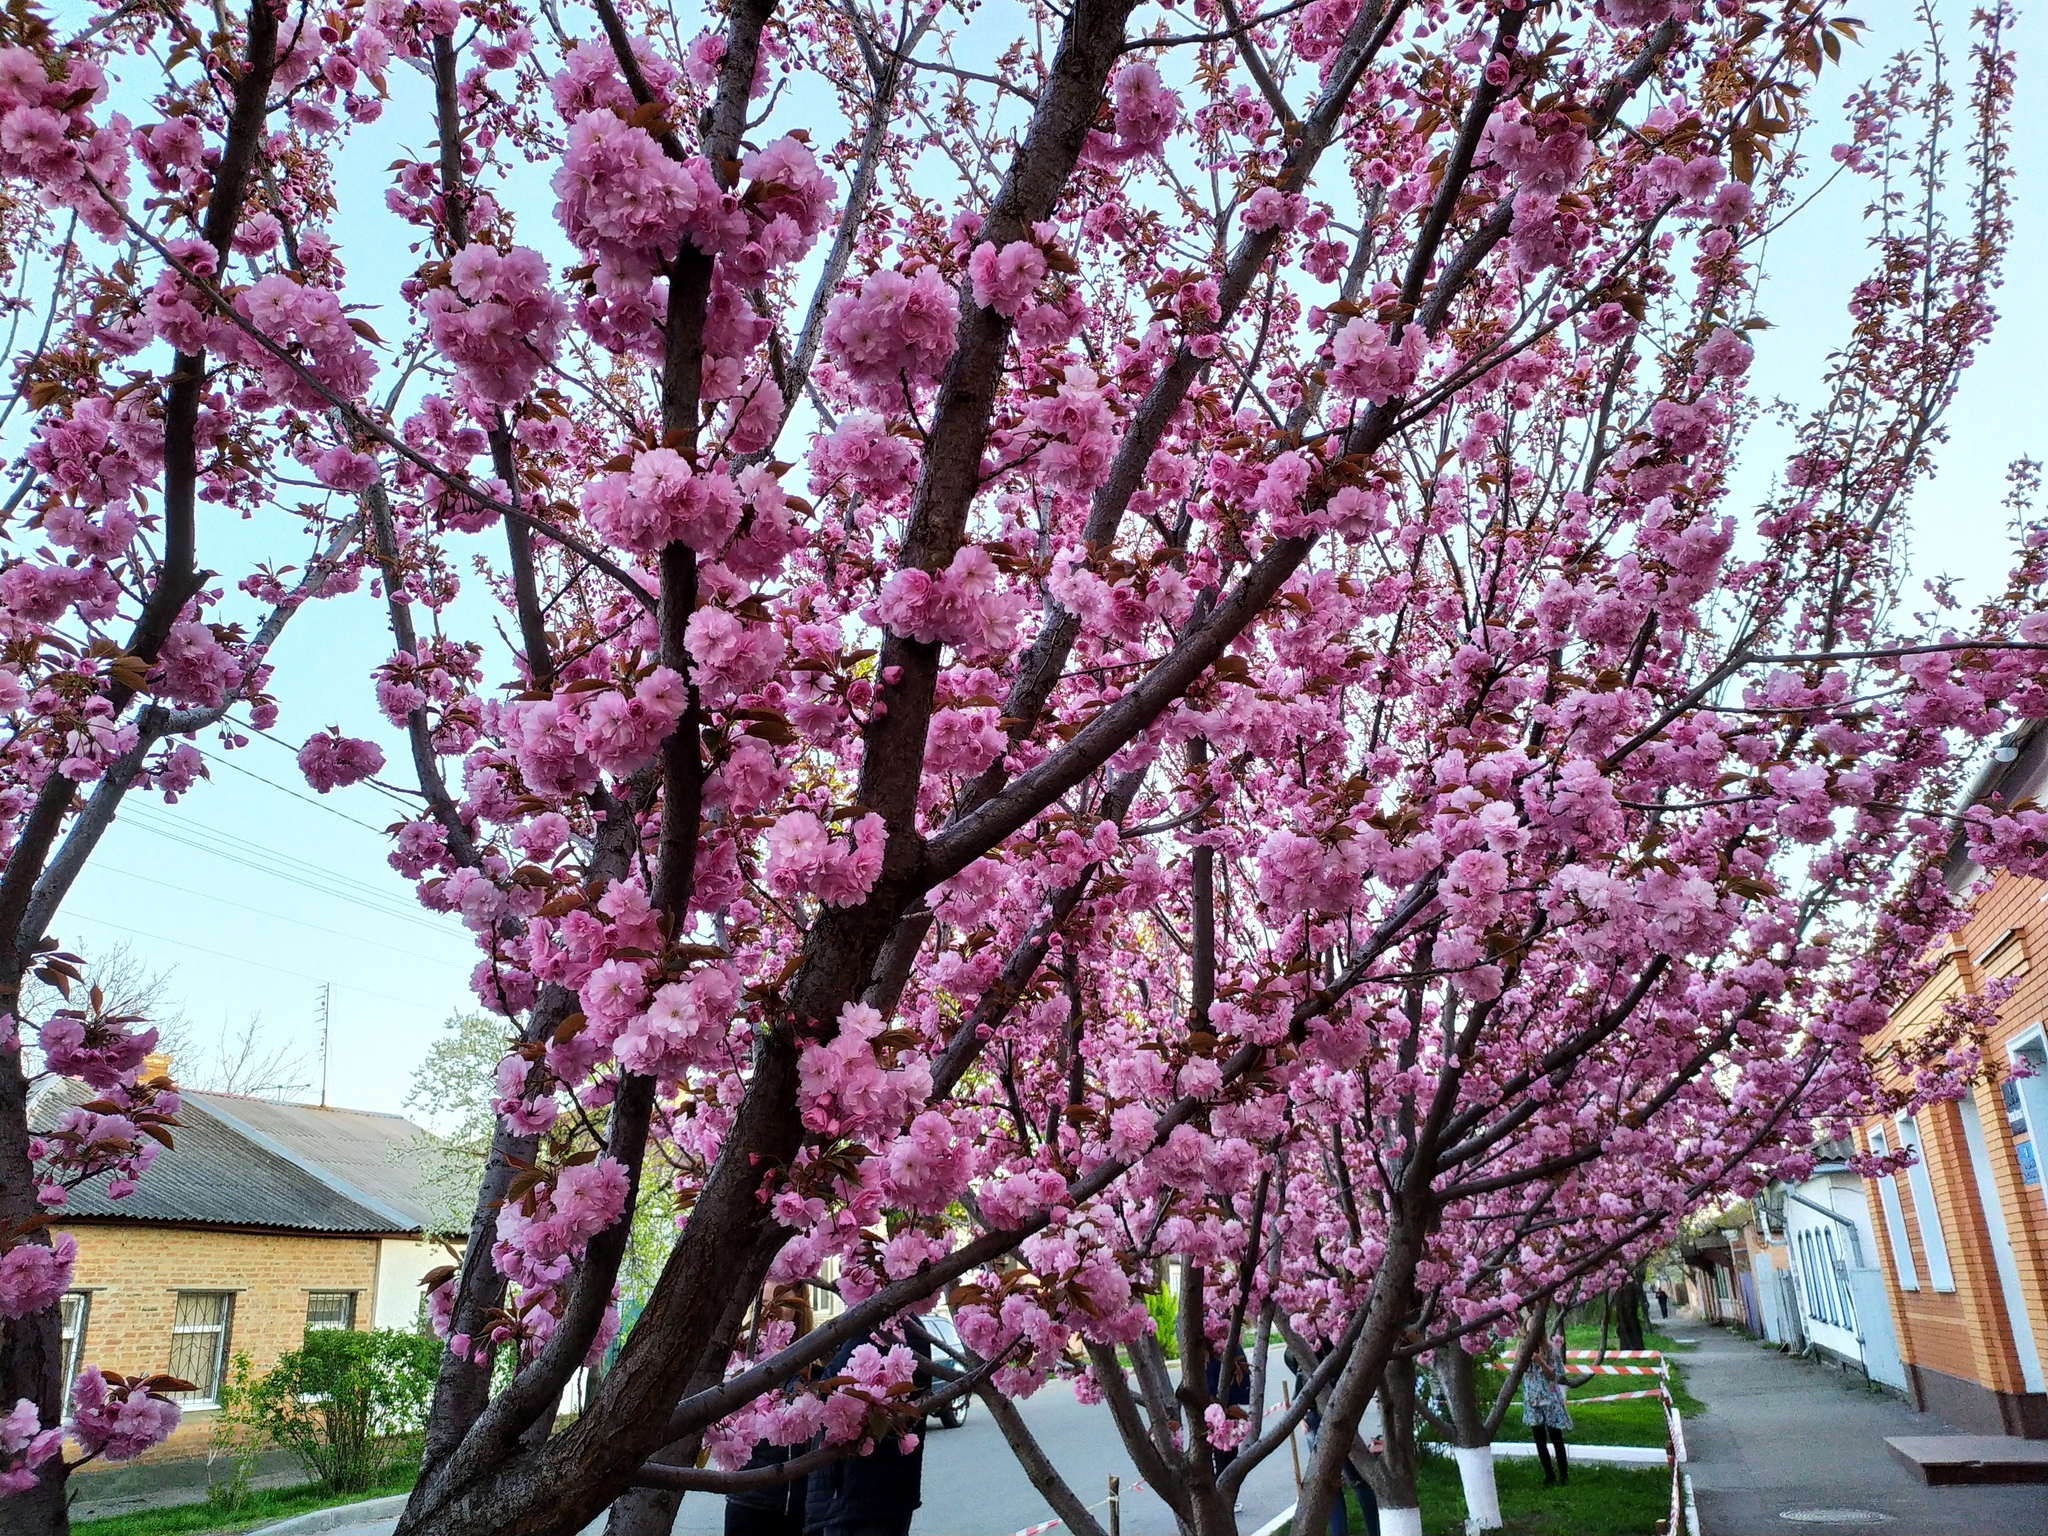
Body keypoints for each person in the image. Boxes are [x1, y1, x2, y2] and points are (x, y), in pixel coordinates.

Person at [804, 1325, 927, 1536]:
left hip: (857, 1499)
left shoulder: (875, 1331)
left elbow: (825, 1392)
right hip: (887, 1495)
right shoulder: (911, 1330)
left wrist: (794, 1380)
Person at [728, 1287, 816, 1536]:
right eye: (765, 1305)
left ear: (799, 1306)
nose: (772, 1313)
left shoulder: (816, 1356)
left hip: (804, 1508)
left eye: (780, 1303)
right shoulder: (741, 1361)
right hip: (750, 1503)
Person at [1285, 1347, 1381, 1536]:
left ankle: (1372, 1531)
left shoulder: (1327, 1337)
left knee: (1343, 1481)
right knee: (1340, 1482)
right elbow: (1292, 1357)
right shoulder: (1313, 1335)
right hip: (1322, 1412)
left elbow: (1292, 1357)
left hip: (1329, 1412)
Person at [1520, 1331, 1577, 1487]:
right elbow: (1519, 1370)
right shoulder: (1523, 1348)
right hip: (1532, 1400)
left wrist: (1540, 1362)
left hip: (1550, 1398)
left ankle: (1563, 1475)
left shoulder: (1551, 1349)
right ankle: (1549, 1475)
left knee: (1556, 1437)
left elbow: (1554, 1375)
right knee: (1539, 1439)